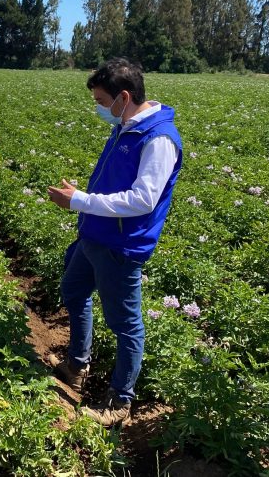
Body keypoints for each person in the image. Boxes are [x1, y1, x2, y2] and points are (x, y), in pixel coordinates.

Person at [47, 57, 182, 427]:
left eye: (103, 101)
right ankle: (78, 363)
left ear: (124, 97)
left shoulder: (158, 139)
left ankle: (120, 402)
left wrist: (79, 201)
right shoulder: (126, 127)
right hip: (94, 236)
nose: (99, 108)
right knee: (73, 291)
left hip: (120, 247)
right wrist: (83, 196)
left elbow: (142, 199)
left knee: (126, 326)